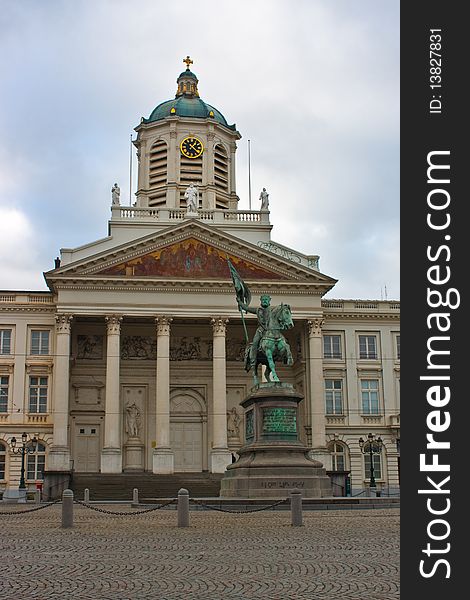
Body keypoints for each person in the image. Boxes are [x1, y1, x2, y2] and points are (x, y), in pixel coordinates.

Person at [238, 294, 272, 367]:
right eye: (263, 300)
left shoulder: (273, 311)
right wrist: (240, 303)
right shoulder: (258, 310)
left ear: (269, 301)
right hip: (261, 330)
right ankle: (253, 359)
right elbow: (247, 308)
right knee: (255, 343)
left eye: (266, 300)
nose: (264, 301)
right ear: (261, 301)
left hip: (270, 330)